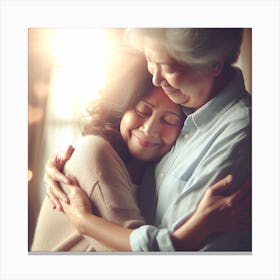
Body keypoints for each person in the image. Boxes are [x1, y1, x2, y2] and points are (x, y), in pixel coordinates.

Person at [43, 28, 252, 251]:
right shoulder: (185, 105)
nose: (156, 78)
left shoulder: (238, 133)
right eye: (151, 60)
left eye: (169, 68)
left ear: (213, 65)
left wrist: (85, 223)